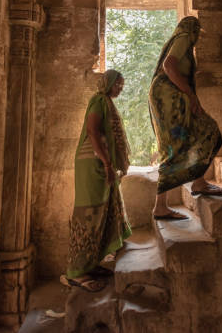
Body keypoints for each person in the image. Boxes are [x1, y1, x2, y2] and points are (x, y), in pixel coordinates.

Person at [149, 16, 222, 221]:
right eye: (197, 32)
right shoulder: (184, 37)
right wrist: (190, 94)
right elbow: (169, 65)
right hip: (169, 96)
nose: (197, 38)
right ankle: (160, 206)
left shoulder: (179, 39)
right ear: (193, 29)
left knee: (189, 137)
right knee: (200, 133)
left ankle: (198, 182)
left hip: (167, 95)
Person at [61, 69, 132, 291]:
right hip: (93, 167)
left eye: (122, 84)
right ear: (108, 83)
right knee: (89, 216)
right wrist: (108, 165)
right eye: (117, 84)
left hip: (99, 164)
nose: (120, 88)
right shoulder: (98, 101)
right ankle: (76, 273)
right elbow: (92, 132)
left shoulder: (105, 102)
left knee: (102, 213)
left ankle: (90, 264)